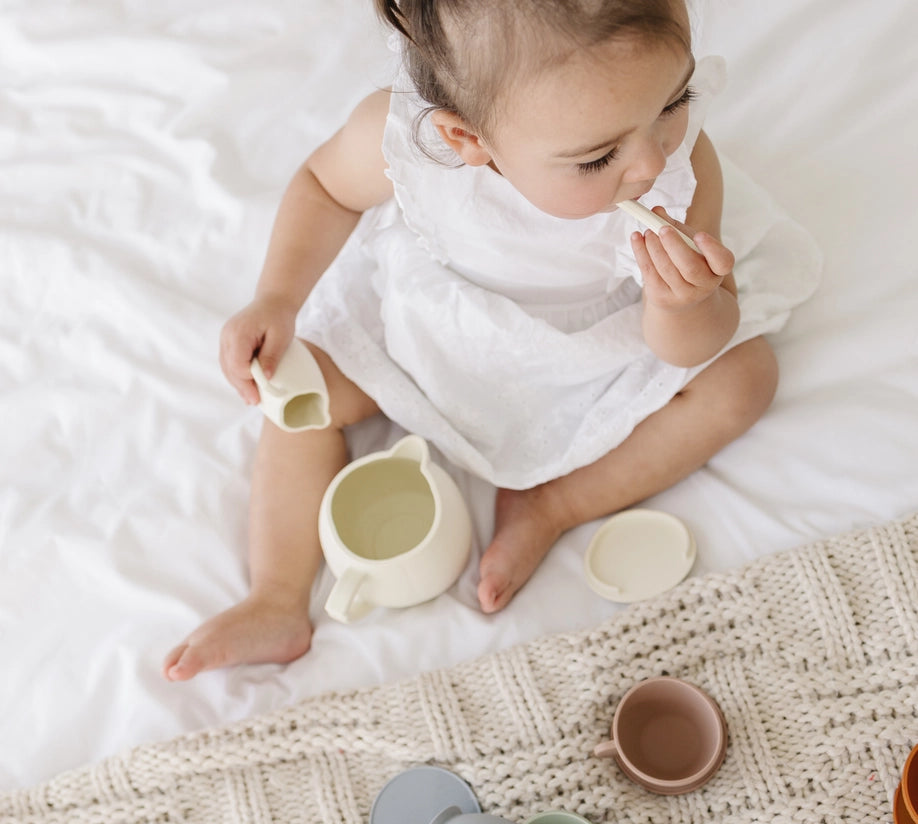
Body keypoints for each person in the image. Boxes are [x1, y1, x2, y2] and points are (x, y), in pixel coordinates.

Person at [162, 0, 806, 681]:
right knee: (289, 384)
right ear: (467, 140)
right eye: (598, 158)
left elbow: (689, 347)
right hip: (432, 334)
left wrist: (685, 304)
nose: (651, 159)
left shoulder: (680, 172)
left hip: (588, 350)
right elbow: (325, 188)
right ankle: (276, 596)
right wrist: (278, 297)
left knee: (743, 378)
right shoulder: (407, 142)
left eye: (675, 99)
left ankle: (552, 503)